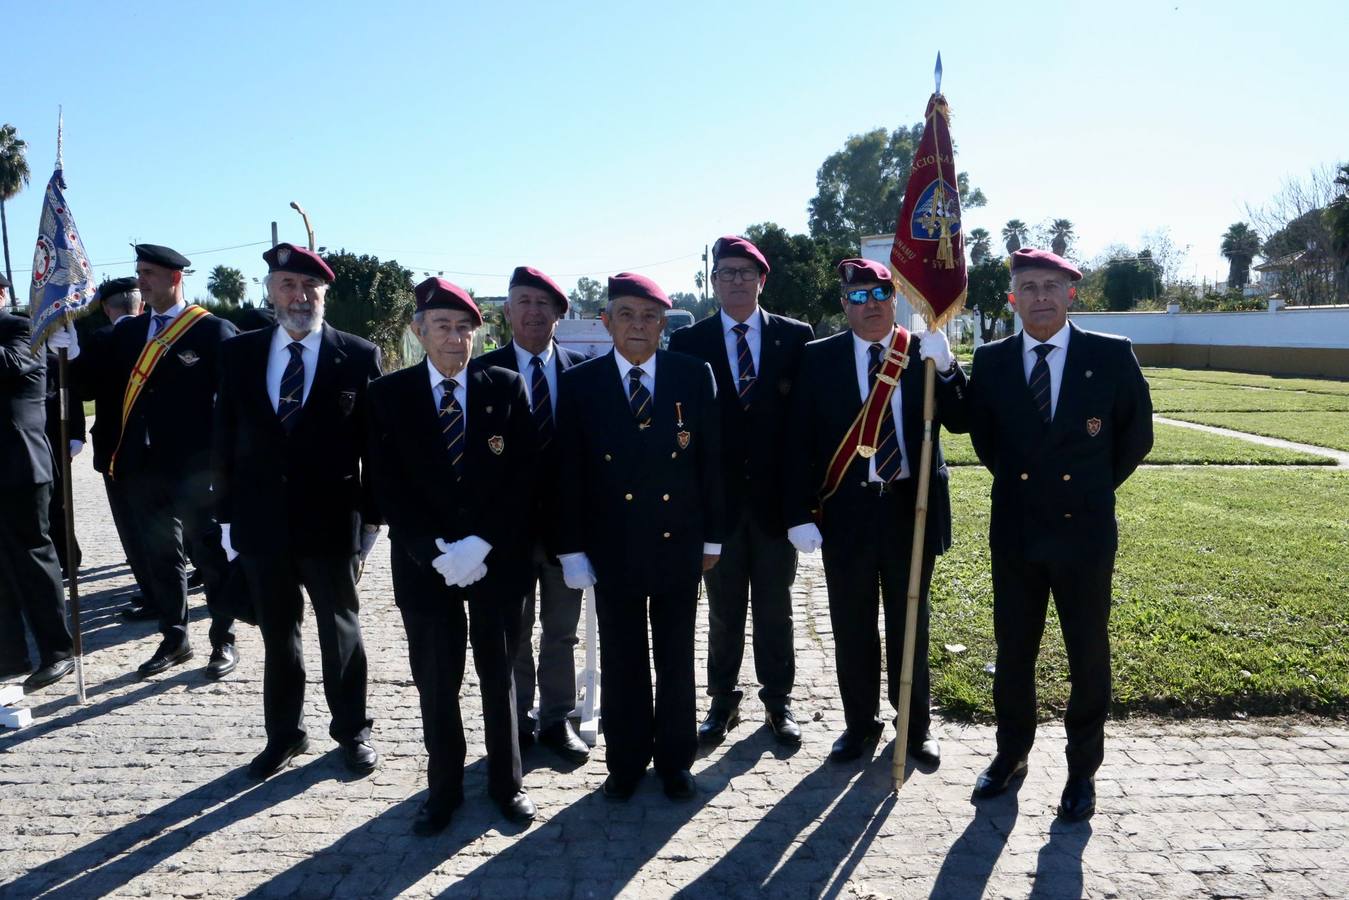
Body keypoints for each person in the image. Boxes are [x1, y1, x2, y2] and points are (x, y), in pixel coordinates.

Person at [966, 248, 1153, 821]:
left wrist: (1089, 488)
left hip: (1084, 533)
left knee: (1087, 653)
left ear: (1072, 294)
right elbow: (985, 439)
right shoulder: (992, 360)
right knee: (1014, 650)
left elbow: (1137, 435)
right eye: (1028, 286)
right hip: (1017, 530)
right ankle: (1011, 755)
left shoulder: (1111, 354)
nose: (1040, 296)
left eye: (1051, 285)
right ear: (1012, 298)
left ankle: (1082, 771)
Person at [367, 277, 538, 832]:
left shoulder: (505, 386)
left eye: (465, 328)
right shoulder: (389, 396)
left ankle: (507, 784)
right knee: (437, 681)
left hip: (497, 559)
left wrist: (483, 542)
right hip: (426, 565)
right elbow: (384, 485)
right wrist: (432, 550)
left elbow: (525, 478)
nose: (454, 338)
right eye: (442, 326)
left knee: (499, 675)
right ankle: (443, 789)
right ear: (419, 332)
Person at [784, 258, 968, 765]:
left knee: (911, 622)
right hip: (848, 511)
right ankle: (859, 724)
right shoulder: (818, 358)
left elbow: (961, 420)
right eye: (859, 297)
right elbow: (798, 440)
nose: (872, 305)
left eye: (881, 294)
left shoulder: (921, 350)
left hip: (913, 507)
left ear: (895, 298)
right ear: (844, 305)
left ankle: (915, 726)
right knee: (852, 622)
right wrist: (798, 512)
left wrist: (948, 369)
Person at [213, 243, 383, 779]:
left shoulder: (358, 355)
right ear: (270, 292)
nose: (299, 296)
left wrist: (372, 519)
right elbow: (224, 438)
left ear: (324, 294)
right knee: (278, 634)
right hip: (261, 523)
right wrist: (225, 517)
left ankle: (352, 731)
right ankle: (284, 734)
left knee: (340, 631)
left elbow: (375, 448)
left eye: (311, 286)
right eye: (287, 285)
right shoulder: (239, 354)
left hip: (330, 524)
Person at [556, 272, 724, 801]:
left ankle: (676, 761)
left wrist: (714, 537)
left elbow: (712, 461)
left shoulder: (691, 374)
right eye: (626, 314)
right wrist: (572, 548)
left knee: (676, 655)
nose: (638, 325)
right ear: (606, 321)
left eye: (649, 317)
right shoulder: (581, 383)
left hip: (679, 541)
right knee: (623, 657)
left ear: (662, 325)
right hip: (614, 544)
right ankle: (625, 762)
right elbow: (569, 472)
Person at [63, 244, 239, 679]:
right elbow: (87, 388)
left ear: (174, 278)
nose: (141, 281)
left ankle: (223, 639)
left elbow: (236, 405)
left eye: (149, 274)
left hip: (194, 470)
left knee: (210, 557)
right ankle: (175, 639)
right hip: (142, 468)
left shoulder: (212, 331)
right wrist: (68, 352)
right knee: (160, 558)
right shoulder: (127, 334)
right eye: (139, 272)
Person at [668, 236, 814, 745]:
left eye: (745, 273)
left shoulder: (795, 337)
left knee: (776, 608)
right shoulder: (689, 342)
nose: (736, 280)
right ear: (713, 281)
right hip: (718, 505)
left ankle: (778, 702)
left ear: (761, 280)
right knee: (723, 610)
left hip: (775, 505)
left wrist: (803, 506)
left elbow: (805, 427)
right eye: (726, 272)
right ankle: (722, 702)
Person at [478, 266, 590, 764]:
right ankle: (517, 718)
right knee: (514, 632)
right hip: (508, 533)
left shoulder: (582, 372)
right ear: (507, 310)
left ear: (559, 315)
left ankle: (557, 718)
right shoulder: (482, 373)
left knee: (561, 630)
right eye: (523, 301)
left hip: (567, 531)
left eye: (544, 304)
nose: (533, 311)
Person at [0, 284, 76, 691]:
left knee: (32, 559)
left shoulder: (23, 328)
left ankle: (58, 651)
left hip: (20, 466)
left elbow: (10, 364)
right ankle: (9, 653)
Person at [80, 278, 158, 620]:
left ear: (106, 308)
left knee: (133, 527)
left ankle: (155, 595)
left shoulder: (102, 338)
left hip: (117, 447)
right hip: (160, 443)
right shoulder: (158, 333)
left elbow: (83, 389)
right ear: (141, 304)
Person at [43, 345, 85, 578]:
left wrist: (77, 434)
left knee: (57, 504)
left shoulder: (53, 362)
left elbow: (72, 399)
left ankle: (69, 557)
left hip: (54, 441)